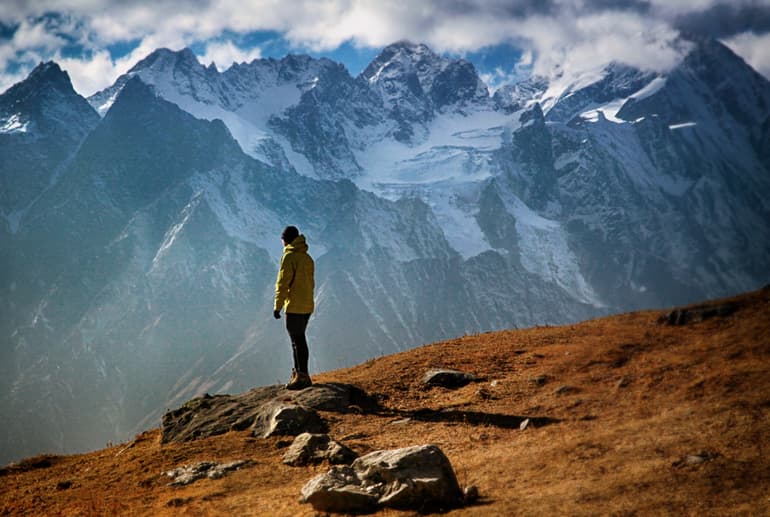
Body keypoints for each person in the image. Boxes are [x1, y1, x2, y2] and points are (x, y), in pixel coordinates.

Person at [273, 225, 315, 390]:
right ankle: (300, 374)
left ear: (286, 240)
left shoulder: (289, 257)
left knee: (297, 341)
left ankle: (301, 376)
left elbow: (283, 283)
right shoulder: (307, 258)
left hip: (294, 306)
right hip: (307, 306)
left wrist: (278, 306)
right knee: (300, 339)